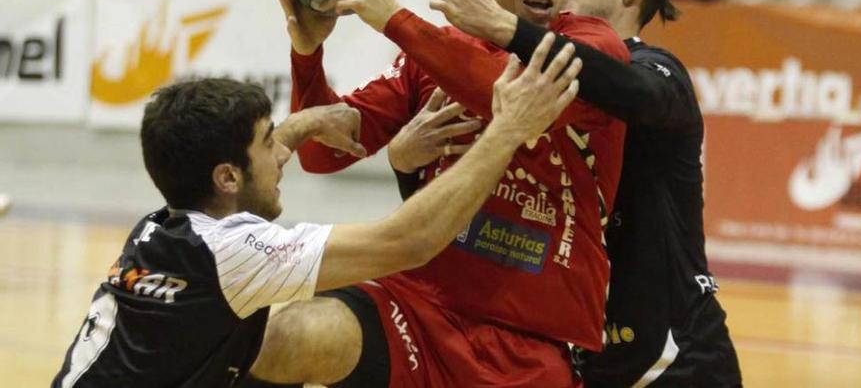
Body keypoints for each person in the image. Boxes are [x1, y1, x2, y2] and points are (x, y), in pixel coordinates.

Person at [247, 0, 630, 387]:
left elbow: (507, 91)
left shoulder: (593, 48)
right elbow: (323, 154)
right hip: (417, 307)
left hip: (532, 342)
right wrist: (308, 53)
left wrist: (395, 20)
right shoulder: (432, 55)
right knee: (286, 337)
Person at [51, 52, 582, 387]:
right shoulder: (235, 255)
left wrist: (304, 122)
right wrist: (507, 130)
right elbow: (411, 240)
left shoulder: (165, 226)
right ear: (229, 178)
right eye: (268, 144)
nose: (281, 156)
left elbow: (240, 165)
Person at [400, 0, 743, 387]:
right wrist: (404, 161)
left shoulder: (656, 70)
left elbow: (625, 89)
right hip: (585, 347)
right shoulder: (525, 84)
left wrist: (503, 26)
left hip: (672, 352)